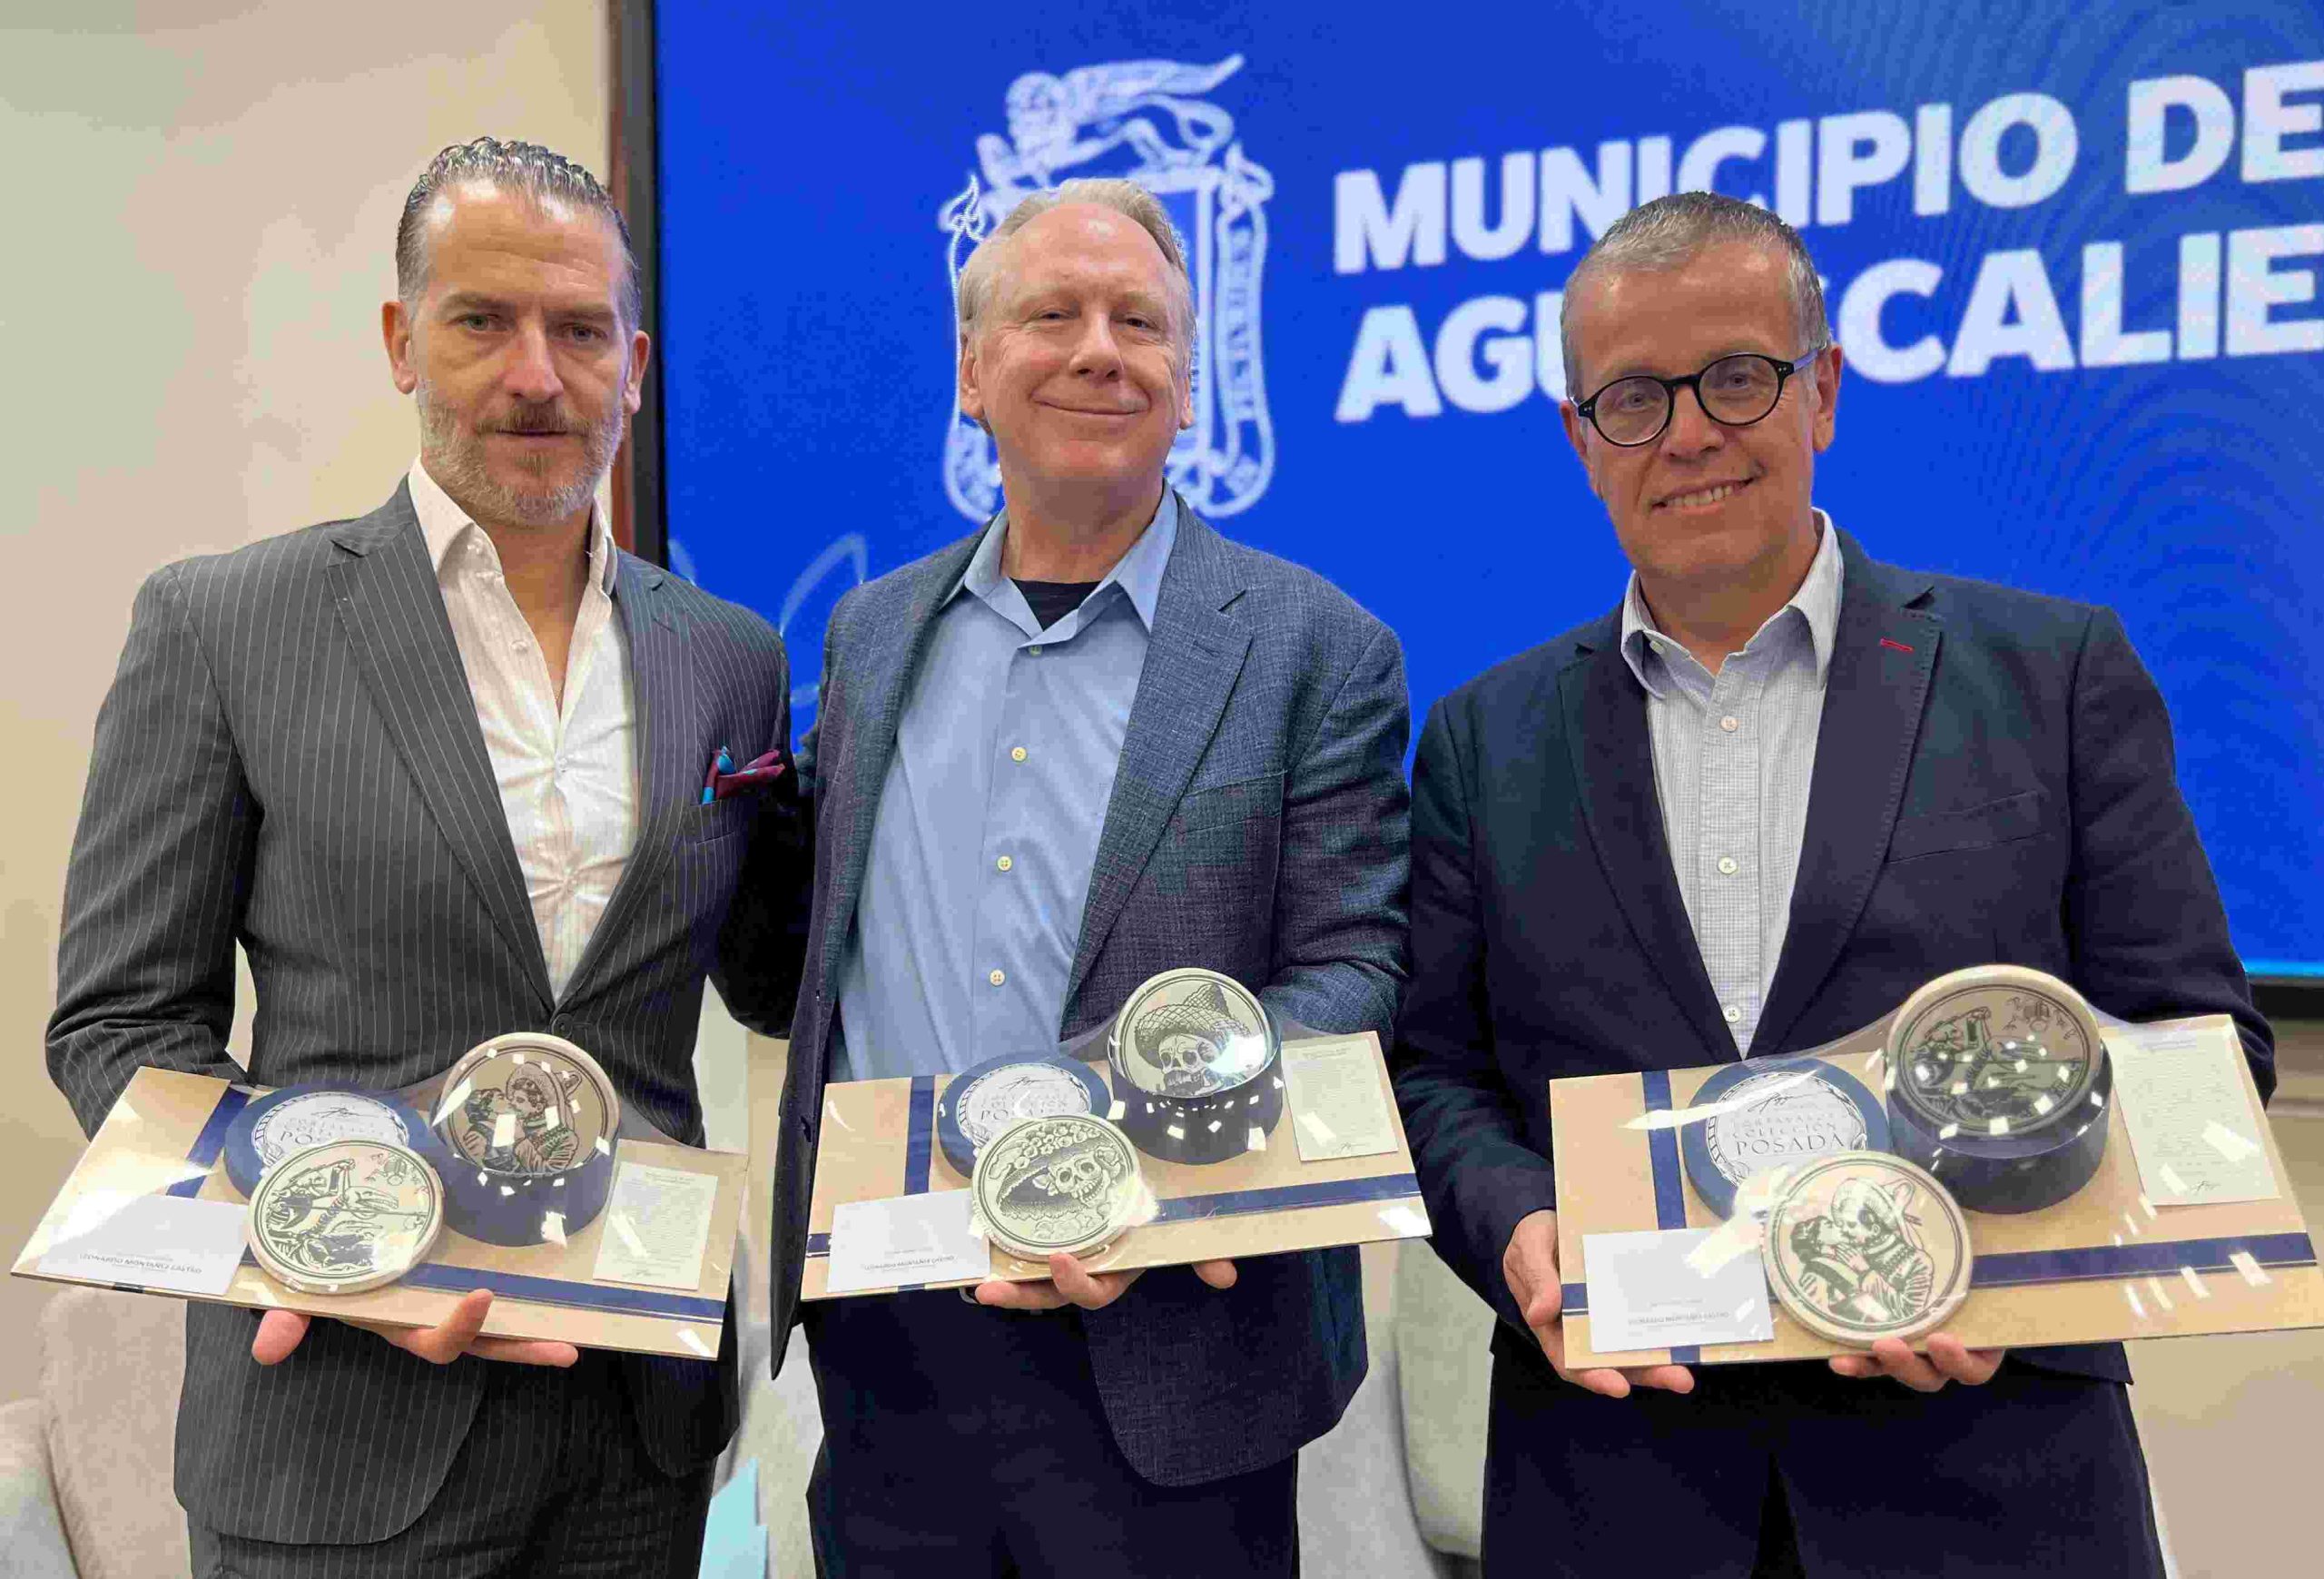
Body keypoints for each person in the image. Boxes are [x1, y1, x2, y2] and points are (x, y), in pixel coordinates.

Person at [1391, 190, 2271, 1578]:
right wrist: (1519, 1231)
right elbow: (1435, 1074)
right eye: (1634, 398)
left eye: (1736, 377)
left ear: (1823, 391)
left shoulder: (2052, 675)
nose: (1688, 433)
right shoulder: (1478, 738)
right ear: (1580, 440)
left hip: (1991, 1485)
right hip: (1616, 1490)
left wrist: (2017, 1271)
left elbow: (2196, 1048)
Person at [45, 137, 794, 1576]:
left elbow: (773, 974)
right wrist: (331, 1250)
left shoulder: (728, 659)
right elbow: (120, 1027)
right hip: (341, 1424)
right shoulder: (224, 625)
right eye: (482, 322)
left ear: (636, 366)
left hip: (637, 1437)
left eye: (581, 332)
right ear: (402, 340)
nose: (537, 376)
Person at [750, 176, 1409, 1576]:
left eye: (1140, 323)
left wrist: (1133, 1159)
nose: (1100, 351)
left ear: (1189, 384)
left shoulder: (1316, 646)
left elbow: (1353, 971)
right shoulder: (871, 635)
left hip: (1176, 1345)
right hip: (888, 1339)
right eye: (1052, 315)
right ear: (973, 372)